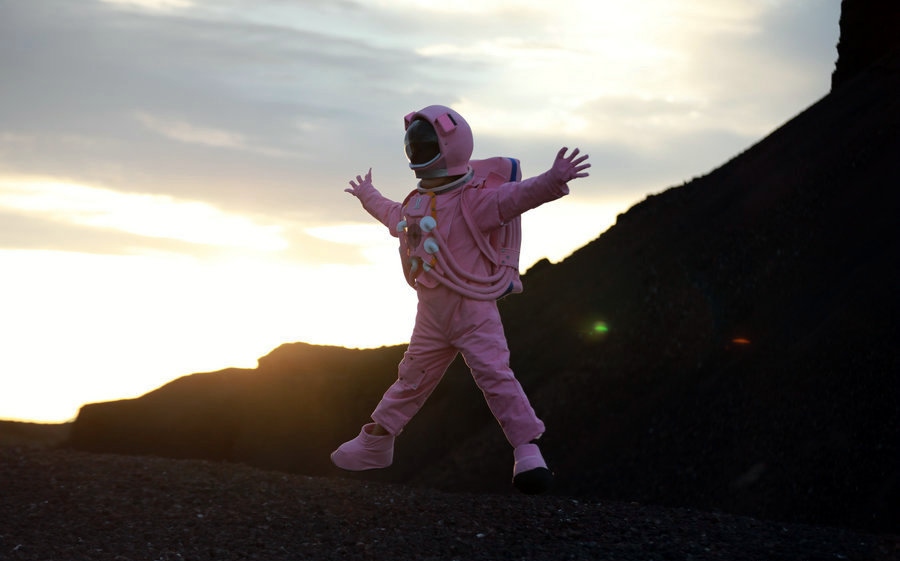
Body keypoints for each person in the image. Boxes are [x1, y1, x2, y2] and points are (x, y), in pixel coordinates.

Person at [331, 104, 590, 494]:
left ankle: (527, 451)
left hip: (472, 308)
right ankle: (376, 441)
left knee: (495, 376)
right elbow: (392, 216)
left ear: (449, 146)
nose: (416, 149)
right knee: (411, 377)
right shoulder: (417, 204)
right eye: (413, 143)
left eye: (424, 142)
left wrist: (553, 179)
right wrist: (368, 195)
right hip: (432, 312)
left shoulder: (475, 201)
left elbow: (518, 197)